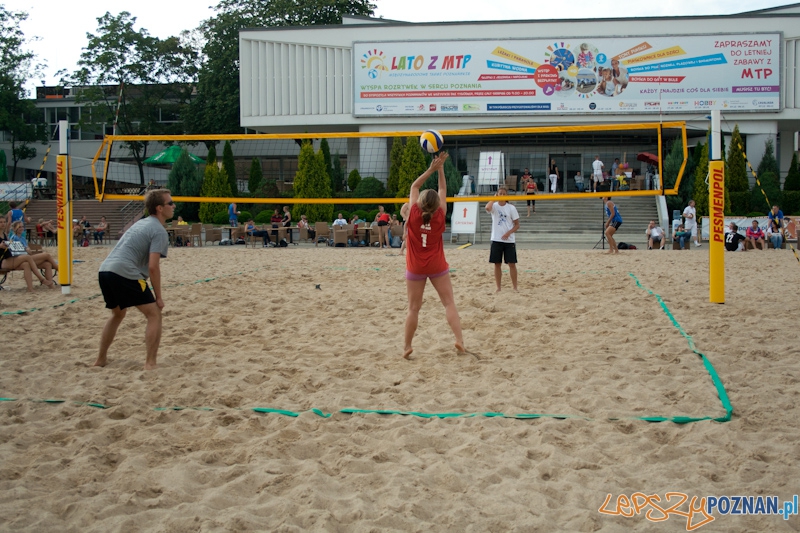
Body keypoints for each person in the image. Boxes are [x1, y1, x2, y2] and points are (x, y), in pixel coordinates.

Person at [94, 189, 174, 371]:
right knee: (154, 314)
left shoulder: (141, 224)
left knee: (118, 314)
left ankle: (100, 360)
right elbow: (153, 267)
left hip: (105, 271)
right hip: (124, 273)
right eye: (170, 203)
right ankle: (150, 363)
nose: (174, 206)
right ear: (160, 208)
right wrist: (158, 297)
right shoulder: (158, 231)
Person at [403, 152, 465, 359]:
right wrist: (440, 169)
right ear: (436, 205)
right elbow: (443, 189)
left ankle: (407, 347)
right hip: (437, 266)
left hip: (415, 267)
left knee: (413, 309)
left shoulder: (412, 215)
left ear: (419, 204)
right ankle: (459, 340)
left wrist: (430, 168)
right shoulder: (440, 216)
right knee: (449, 303)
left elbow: (414, 186)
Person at [1, 219, 56, 291]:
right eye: (0, 222)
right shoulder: (13, 237)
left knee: (39, 264)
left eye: (4, 222)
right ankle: (43, 278)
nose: (3, 224)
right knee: (45, 255)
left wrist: (26, 249)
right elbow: (15, 249)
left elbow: (13, 247)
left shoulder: (6, 235)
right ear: (14, 228)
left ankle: (32, 288)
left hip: (14, 258)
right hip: (5, 260)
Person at [487, 186, 520, 291]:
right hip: (496, 239)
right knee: (497, 264)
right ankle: (498, 287)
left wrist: (508, 233)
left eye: (504, 193)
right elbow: (487, 207)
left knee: (512, 264)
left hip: (509, 240)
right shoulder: (495, 206)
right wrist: (493, 198)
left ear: (507, 196)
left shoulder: (511, 208)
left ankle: (515, 287)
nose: (502, 195)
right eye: (500, 193)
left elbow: (517, 225)